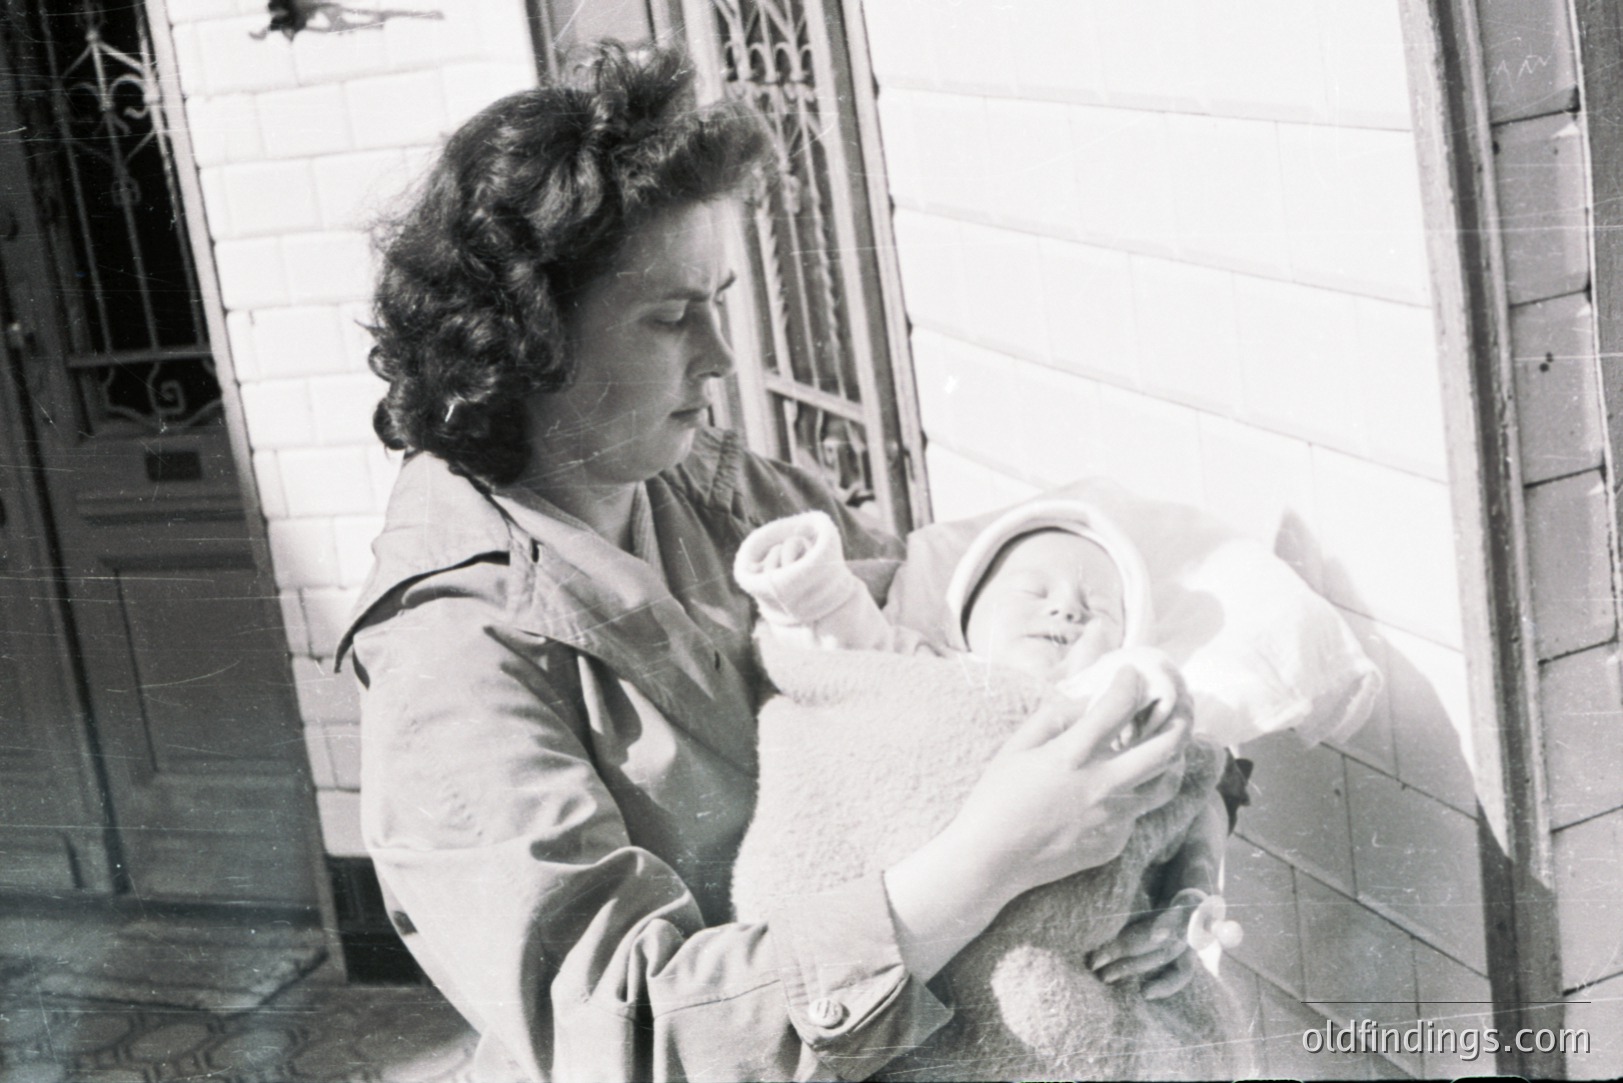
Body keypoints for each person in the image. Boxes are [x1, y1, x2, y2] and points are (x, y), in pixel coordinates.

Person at [339, 42, 1193, 1082]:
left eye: (719, 300)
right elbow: (632, 1033)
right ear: (531, 337)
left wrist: (1186, 832)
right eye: (670, 317)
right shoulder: (452, 659)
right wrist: (991, 857)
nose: (720, 357)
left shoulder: (718, 492)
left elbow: (959, 663)